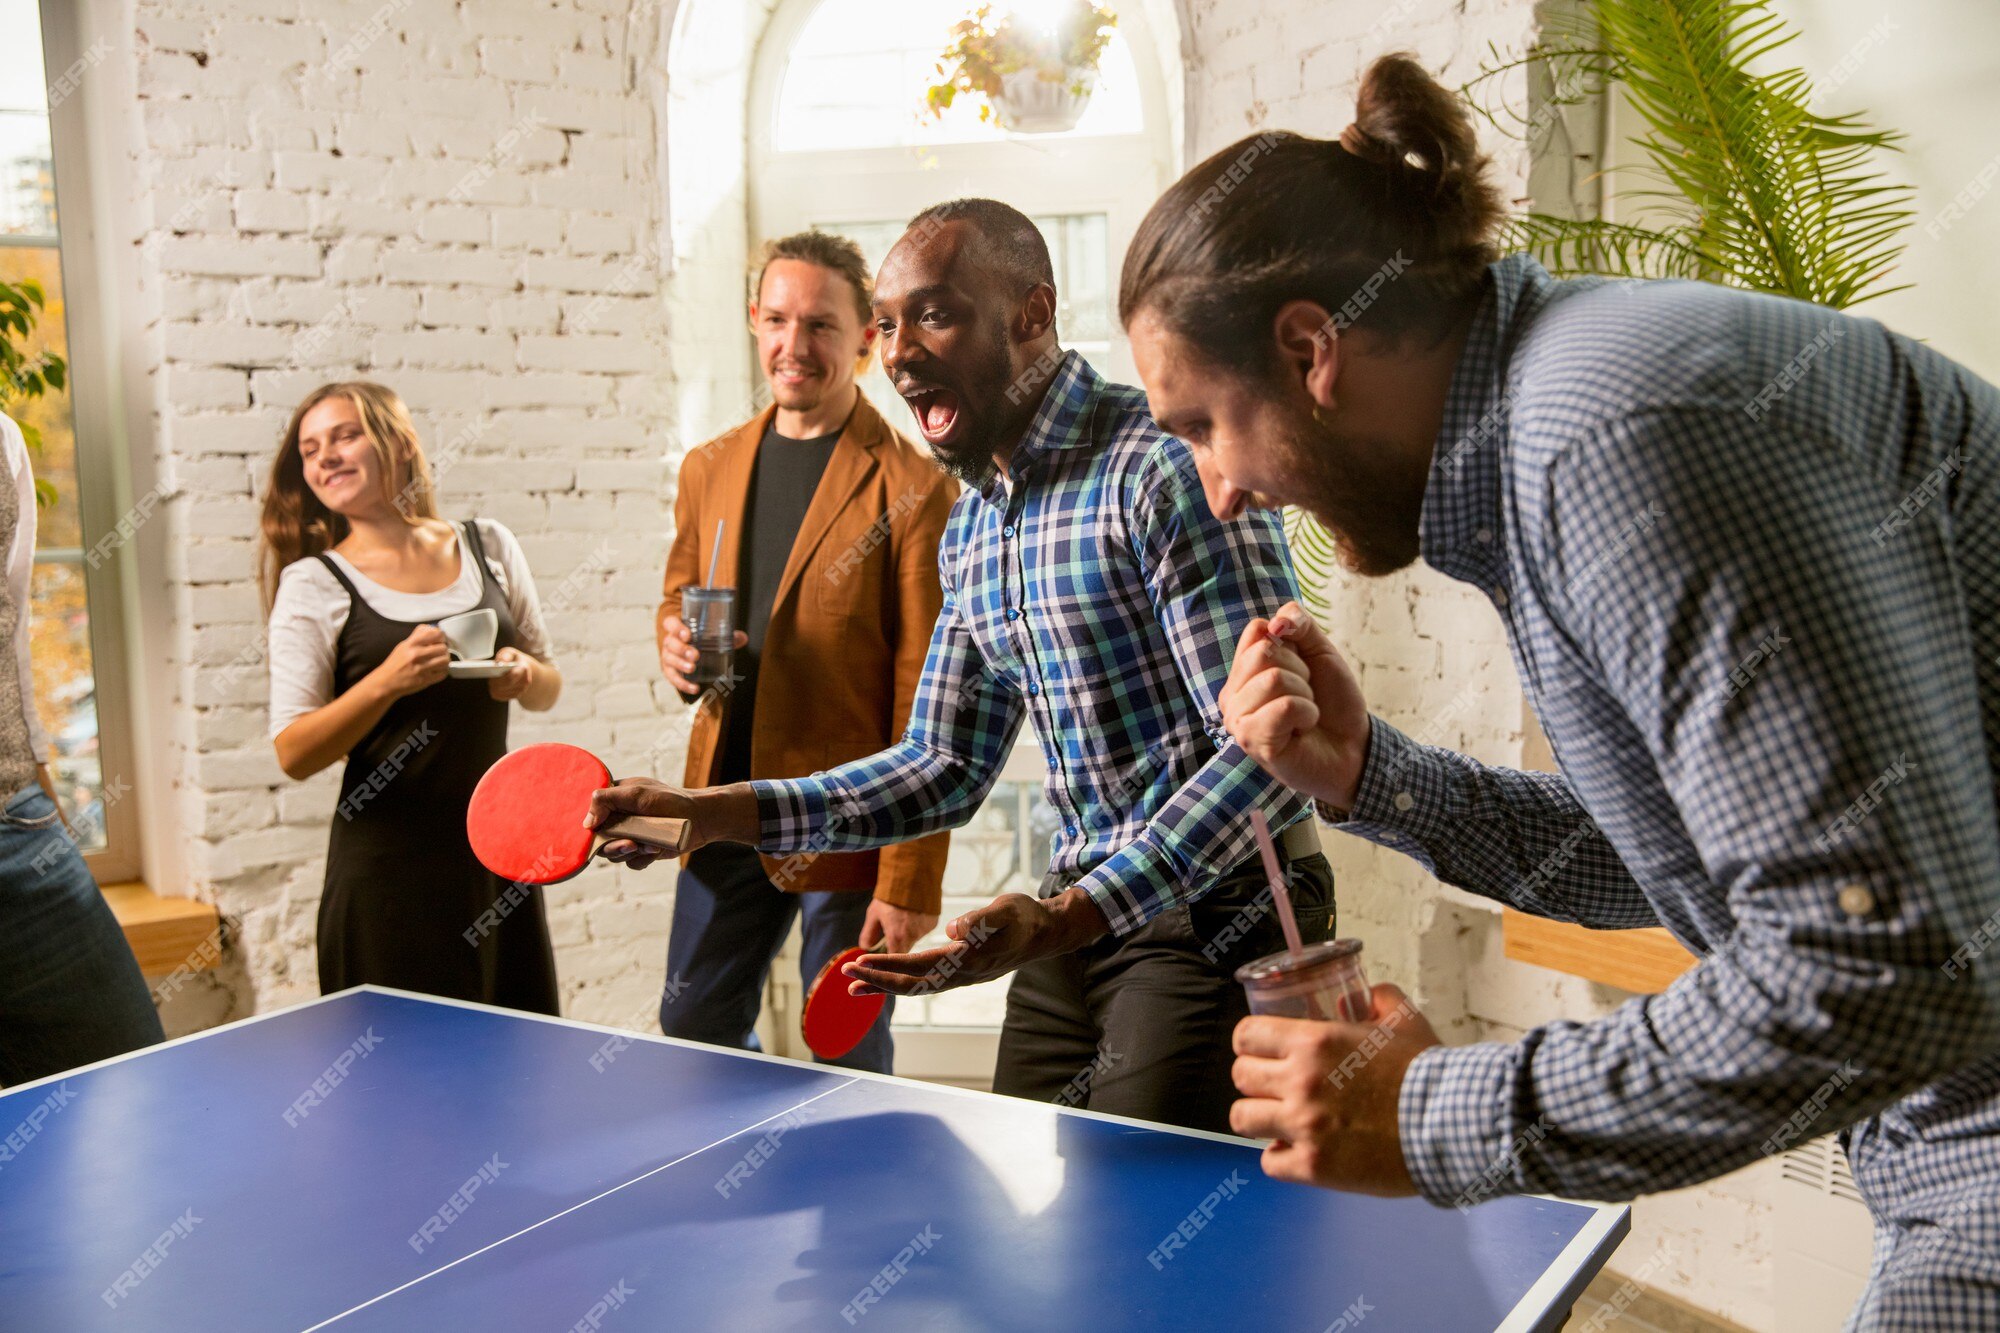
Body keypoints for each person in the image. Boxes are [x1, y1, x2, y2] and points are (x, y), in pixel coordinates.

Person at [1117, 53, 2000, 1327]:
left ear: (1311, 347)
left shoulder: (1611, 435)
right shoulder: (1556, 422)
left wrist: (1426, 1113)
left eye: (1202, 425)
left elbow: (1884, 968)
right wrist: (1372, 777)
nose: (1220, 490)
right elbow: (1687, 865)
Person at [594, 199, 1333, 1133]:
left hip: (1220, 903)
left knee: (1142, 1225)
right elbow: (938, 764)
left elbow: (1269, 755)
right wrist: (712, 813)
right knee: (1038, 1206)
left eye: (934, 314)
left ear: (1031, 312)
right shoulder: (977, 525)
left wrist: (1068, 914)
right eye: (891, 325)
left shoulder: (1161, 469)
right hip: (1080, 910)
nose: (898, 351)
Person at [653, 231, 955, 1073]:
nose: (795, 346)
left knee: (845, 1050)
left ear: (865, 337)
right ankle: (740, 1181)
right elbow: (679, 598)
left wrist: (907, 881)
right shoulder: (707, 467)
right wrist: (675, 646)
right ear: (755, 320)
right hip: (724, 802)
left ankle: (856, 1204)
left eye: (821, 325)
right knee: (691, 1026)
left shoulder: (917, 488)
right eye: (778, 319)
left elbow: (927, 701)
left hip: (849, 818)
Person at [261, 382, 565, 1012]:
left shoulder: (490, 546)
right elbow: (293, 752)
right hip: (386, 874)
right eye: (311, 449)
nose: (325, 458)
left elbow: (547, 682)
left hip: (497, 854)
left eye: (345, 436)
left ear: (398, 443)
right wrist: (387, 681)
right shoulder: (312, 584)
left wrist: (523, 673)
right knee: (401, 1087)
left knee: (519, 1064)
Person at [0, 409, 163, 1084]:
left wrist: (42, 791)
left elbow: (9, 632)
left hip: (15, 826)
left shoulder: (2, 436)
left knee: (134, 1088)